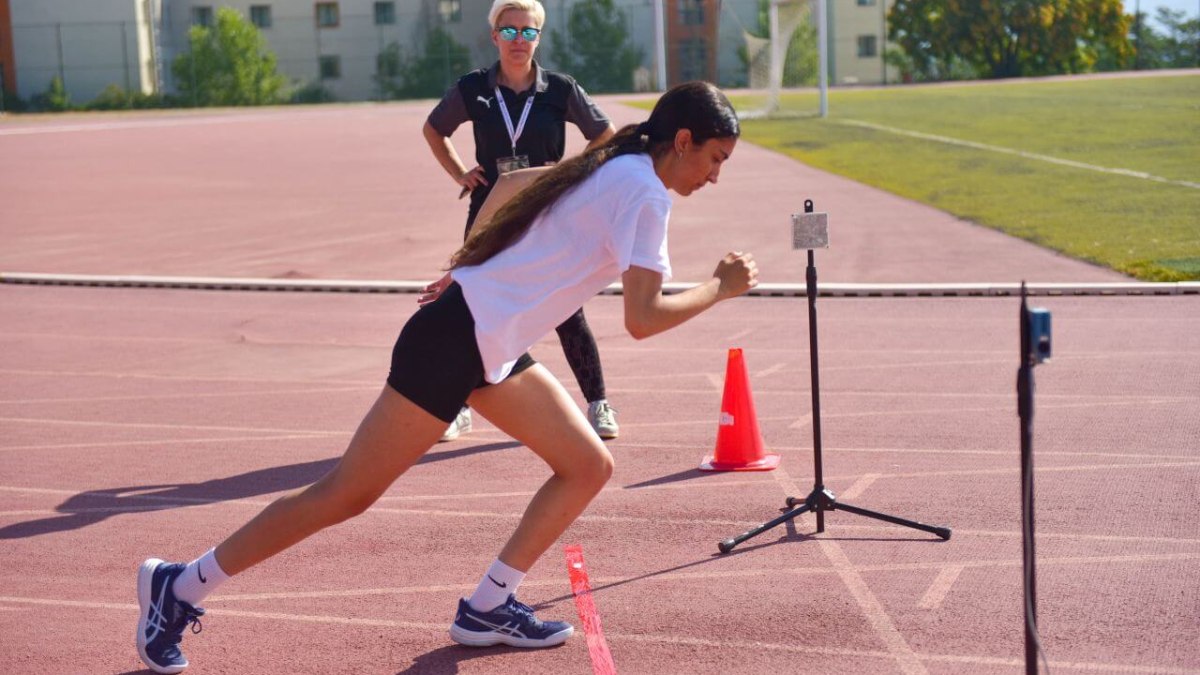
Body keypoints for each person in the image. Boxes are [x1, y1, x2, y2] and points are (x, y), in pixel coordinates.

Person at [135, 80, 754, 674]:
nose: (715, 177)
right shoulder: (644, 193)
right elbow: (643, 318)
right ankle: (180, 584)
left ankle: (488, 606)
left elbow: (509, 186)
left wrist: (466, 268)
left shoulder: (615, 164)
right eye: (714, 159)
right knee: (345, 494)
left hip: (487, 342)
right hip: (455, 342)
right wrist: (719, 289)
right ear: (681, 141)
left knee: (587, 465)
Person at [423, 0, 621, 442]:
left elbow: (605, 135)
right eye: (509, 31)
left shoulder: (559, 89)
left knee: (567, 309)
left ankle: (598, 403)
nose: (518, 40)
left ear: (539, 37)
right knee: (473, 304)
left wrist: (571, 174)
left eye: (528, 32)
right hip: (490, 209)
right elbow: (434, 129)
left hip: (548, 210)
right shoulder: (473, 87)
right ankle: (457, 408)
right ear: (494, 36)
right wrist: (459, 171)